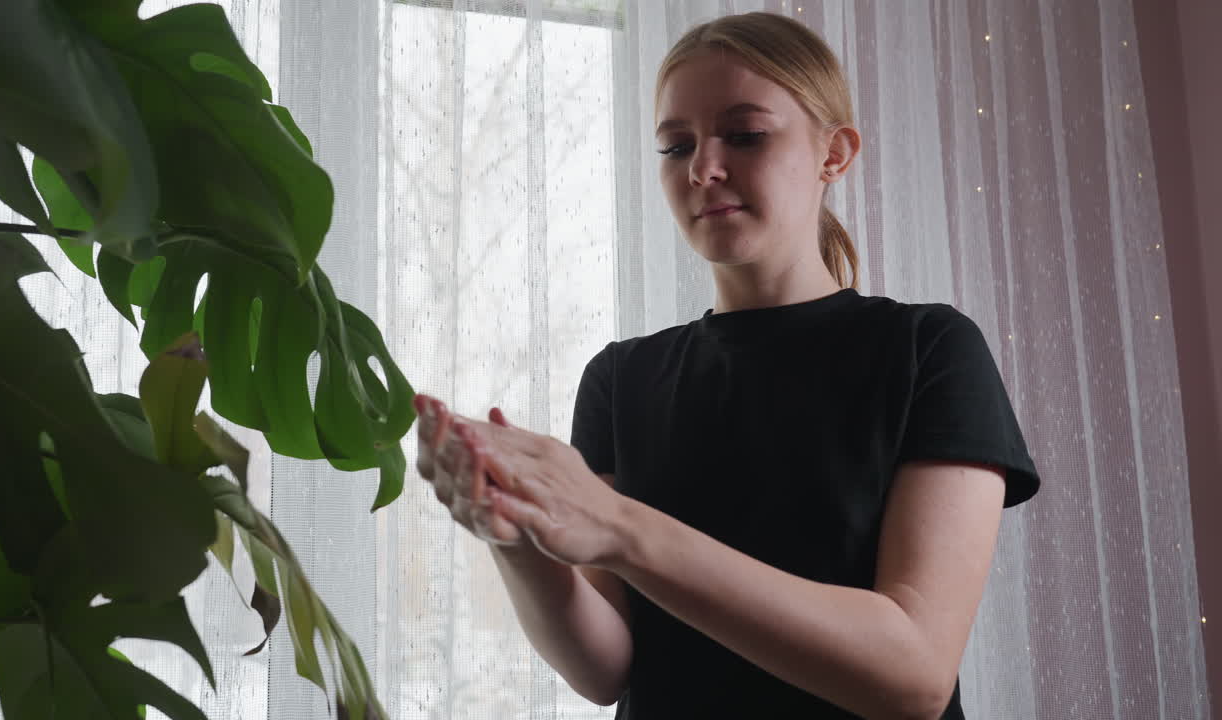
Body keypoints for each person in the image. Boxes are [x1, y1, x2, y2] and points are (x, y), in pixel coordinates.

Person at [413, 11, 1040, 719]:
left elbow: (914, 676)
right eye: (674, 145)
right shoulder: (621, 378)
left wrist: (620, 526)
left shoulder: (931, 350)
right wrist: (518, 535)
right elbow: (604, 670)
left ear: (834, 154)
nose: (703, 168)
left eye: (745, 135)